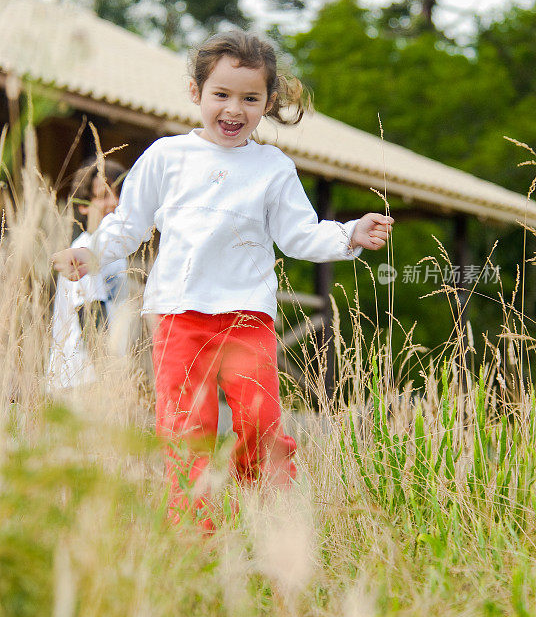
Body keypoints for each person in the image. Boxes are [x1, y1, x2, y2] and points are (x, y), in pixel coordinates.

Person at [52, 30, 393, 526]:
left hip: (247, 315)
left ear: (268, 102)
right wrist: (89, 251)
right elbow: (129, 224)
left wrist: (351, 234)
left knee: (259, 419)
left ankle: (256, 489)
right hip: (178, 314)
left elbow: (299, 235)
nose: (234, 109)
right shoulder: (168, 157)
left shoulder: (272, 167)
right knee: (187, 427)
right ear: (196, 93)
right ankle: (195, 531)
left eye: (250, 98)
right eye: (222, 95)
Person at [48, 158, 129, 392]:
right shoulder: (86, 249)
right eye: (103, 195)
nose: (113, 202)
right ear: (83, 205)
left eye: (118, 194)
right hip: (83, 378)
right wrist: (111, 378)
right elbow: (91, 316)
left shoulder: (112, 252)